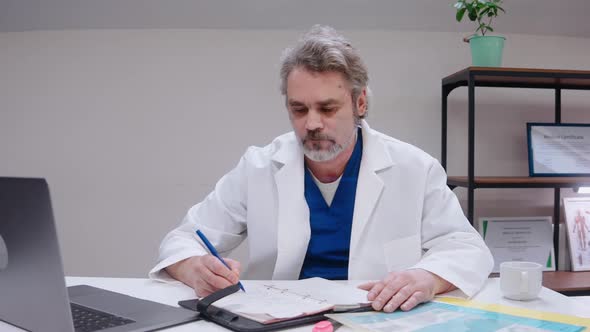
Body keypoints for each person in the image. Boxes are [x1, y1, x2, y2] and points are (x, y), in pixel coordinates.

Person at [149, 25, 493, 313]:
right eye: (298, 109)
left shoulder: (415, 168)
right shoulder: (258, 166)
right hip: (278, 319)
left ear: (360, 103)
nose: (311, 123)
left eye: (327, 108)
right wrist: (194, 268)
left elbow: (467, 248)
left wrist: (428, 278)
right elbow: (183, 239)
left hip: (376, 318)